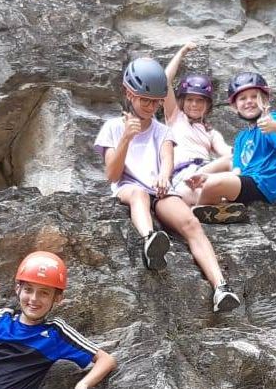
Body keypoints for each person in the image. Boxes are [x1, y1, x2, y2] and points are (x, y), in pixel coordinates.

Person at [93, 57, 241, 312]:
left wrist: (164, 177)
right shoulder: (113, 127)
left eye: (156, 101)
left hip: (161, 190)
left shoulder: (162, 130)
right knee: (138, 194)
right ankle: (150, 239)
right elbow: (112, 175)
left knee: (191, 224)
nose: (151, 107)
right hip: (129, 185)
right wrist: (127, 137)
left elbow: (167, 160)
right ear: (129, 93)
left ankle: (221, 287)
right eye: (145, 100)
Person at [0, 251, 117, 389]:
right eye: (28, 290)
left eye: (44, 293)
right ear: (17, 289)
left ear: (57, 299)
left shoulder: (56, 333)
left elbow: (105, 359)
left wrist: (82, 385)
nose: (34, 299)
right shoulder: (1, 319)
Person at [184, 72, 276, 221]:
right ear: (235, 107)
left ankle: (195, 214)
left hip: (262, 187)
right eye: (242, 98)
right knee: (206, 183)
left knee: (213, 185)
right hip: (248, 183)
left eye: (254, 96)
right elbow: (237, 171)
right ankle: (220, 207)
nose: (249, 101)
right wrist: (206, 177)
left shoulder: (270, 122)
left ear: (265, 99)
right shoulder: (242, 137)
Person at [160, 42, 244, 222]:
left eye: (200, 101)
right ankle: (216, 206)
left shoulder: (211, 132)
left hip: (205, 173)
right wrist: (181, 52)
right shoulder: (175, 117)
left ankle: (212, 206)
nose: (194, 105)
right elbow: (164, 81)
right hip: (182, 175)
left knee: (236, 160)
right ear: (182, 101)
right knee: (185, 192)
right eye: (190, 99)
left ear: (207, 105)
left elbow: (227, 152)